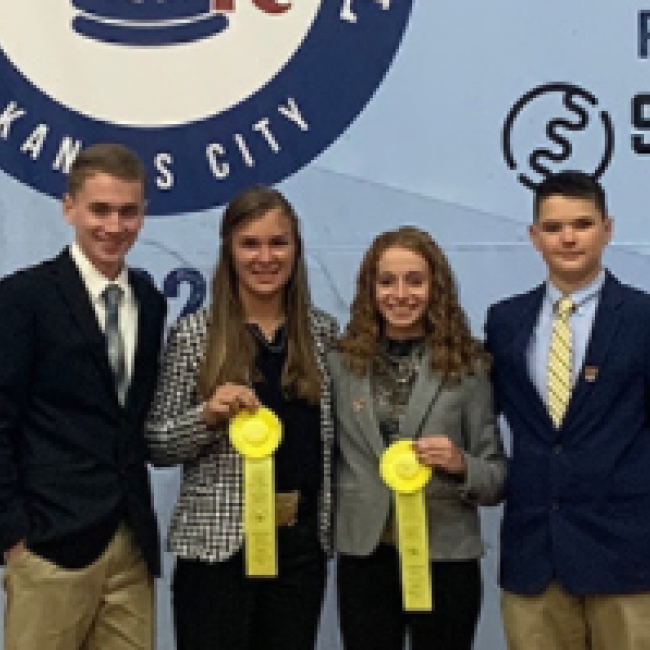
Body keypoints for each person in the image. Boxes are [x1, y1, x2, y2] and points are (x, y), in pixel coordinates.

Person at [145, 185, 338, 650]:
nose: (265, 257)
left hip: (298, 549)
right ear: (228, 250)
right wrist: (206, 416)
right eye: (249, 243)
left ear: (296, 248)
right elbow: (156, 443)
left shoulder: (323, 333)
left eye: (278, 242)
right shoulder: (195, 334)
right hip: (217, 548)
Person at [0, 143, 167, 650]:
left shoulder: (151, 302)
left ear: (143, 214)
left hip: (130, 545)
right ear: (68, 207)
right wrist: (14, 539)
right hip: (48, 548)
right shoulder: (23, 298)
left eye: (127, 211)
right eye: (100, 209)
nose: (113, 226)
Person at [485, 170, 650, 650]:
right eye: (554, 227)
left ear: (607, 229)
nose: (569, 237)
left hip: (627, 558)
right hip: (535, 556)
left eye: (582, 223)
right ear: (535, 237)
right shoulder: (505, 321)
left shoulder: (643, 319)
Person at [329, 226, 506, 650]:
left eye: (415, 280)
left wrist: (460, 463)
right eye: (387, 281)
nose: (400, 294)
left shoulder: (470, 366)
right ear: (369, 289)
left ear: (436, 289)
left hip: (445, 556)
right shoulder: (338, 364)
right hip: (365, 555)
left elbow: (495, 476)